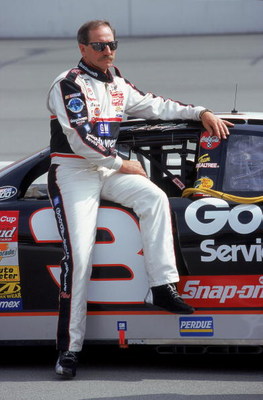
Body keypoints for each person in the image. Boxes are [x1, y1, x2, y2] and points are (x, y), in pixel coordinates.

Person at [47, 20, 233, 378]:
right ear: (82, 48)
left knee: (153, 196)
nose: (108, 51)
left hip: (106, 172)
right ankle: (68, 350)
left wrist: (200, 112)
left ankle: (161, 287)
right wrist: (121, 163)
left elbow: (156, 105)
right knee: (80, 259)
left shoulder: (116, 81)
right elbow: (78, 138)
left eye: (112, 44)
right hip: (72, 173)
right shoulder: (68, 83)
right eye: (100, 45)